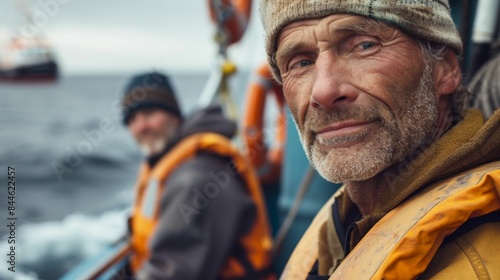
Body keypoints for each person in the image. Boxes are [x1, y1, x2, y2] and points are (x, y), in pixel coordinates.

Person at [259, 1, 500, 279]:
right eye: (301, 62)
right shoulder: (349, 215)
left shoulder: (480, 263)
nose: (323, 91)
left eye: (364, 46)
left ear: (444, 69)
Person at [120, 72, 274, 280]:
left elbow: (172, 272)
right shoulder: (167, 163)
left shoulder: (198, 177)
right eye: (132, 120)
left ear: (173, 115)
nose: (141, 127)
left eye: (148, 113)